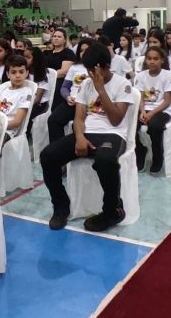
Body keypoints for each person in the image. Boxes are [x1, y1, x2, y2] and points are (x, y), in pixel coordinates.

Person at [40, 43, 132, 232]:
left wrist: (101, 89)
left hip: (113, 134)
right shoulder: (85, 84)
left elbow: (115, 119)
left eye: (94, 70)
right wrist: (80, 137)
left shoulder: (123, 85)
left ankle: (112, 210)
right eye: (88, 70)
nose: (90, 74)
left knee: (105, 160)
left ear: (107, 66)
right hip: (87, 133)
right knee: (47, 156)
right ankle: (61, 206)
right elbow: (79, 117)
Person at [134, 47, 171, 174]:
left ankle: (158, 156)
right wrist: (142, 111)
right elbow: (140, 98)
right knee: (130, 123)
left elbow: (167, 101)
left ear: (162, 60)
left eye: (156, 59)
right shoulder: (141, 76)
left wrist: (151, 113)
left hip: (162, 110)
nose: (152, 61)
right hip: (144, 109)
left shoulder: (168, 75)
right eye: (149, 58)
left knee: (154, 126)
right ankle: (140, 151)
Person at [47, 38, 94, 143]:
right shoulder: (75, 67)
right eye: (81, 50)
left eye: (87, 50)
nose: (83, 53)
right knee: (53, 120)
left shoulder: (97, 67)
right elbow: (64, 87)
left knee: (80, 126)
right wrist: (67, 97)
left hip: (89, 104)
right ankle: (58, 147)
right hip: (72, 102)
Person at [0, 55, 32, 143]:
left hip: (7, 131)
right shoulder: (2, 88)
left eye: (21, 72)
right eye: (13, 72)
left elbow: (17, 122)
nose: (18, 75)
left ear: (27, 73)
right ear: (7, 74)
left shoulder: (27, 93)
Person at [44, 28, 76, 109]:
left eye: (59, 37)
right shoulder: (46, 53)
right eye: (54, 36)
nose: (56, 38)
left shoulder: (68, 53)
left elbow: (64, 72)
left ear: (64, 40)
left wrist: (46, 76)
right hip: (45, 81)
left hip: (59, 82)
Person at [23, 46, 50, 135]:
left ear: (36, 59)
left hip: (39, 104)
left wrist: (26, 105)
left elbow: (38, 98)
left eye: (28, 57)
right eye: (24, 57)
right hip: (26, 100)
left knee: (26, 115)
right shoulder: (25, 72)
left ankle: (26, 135)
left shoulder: (42, 74)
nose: (25, 59)